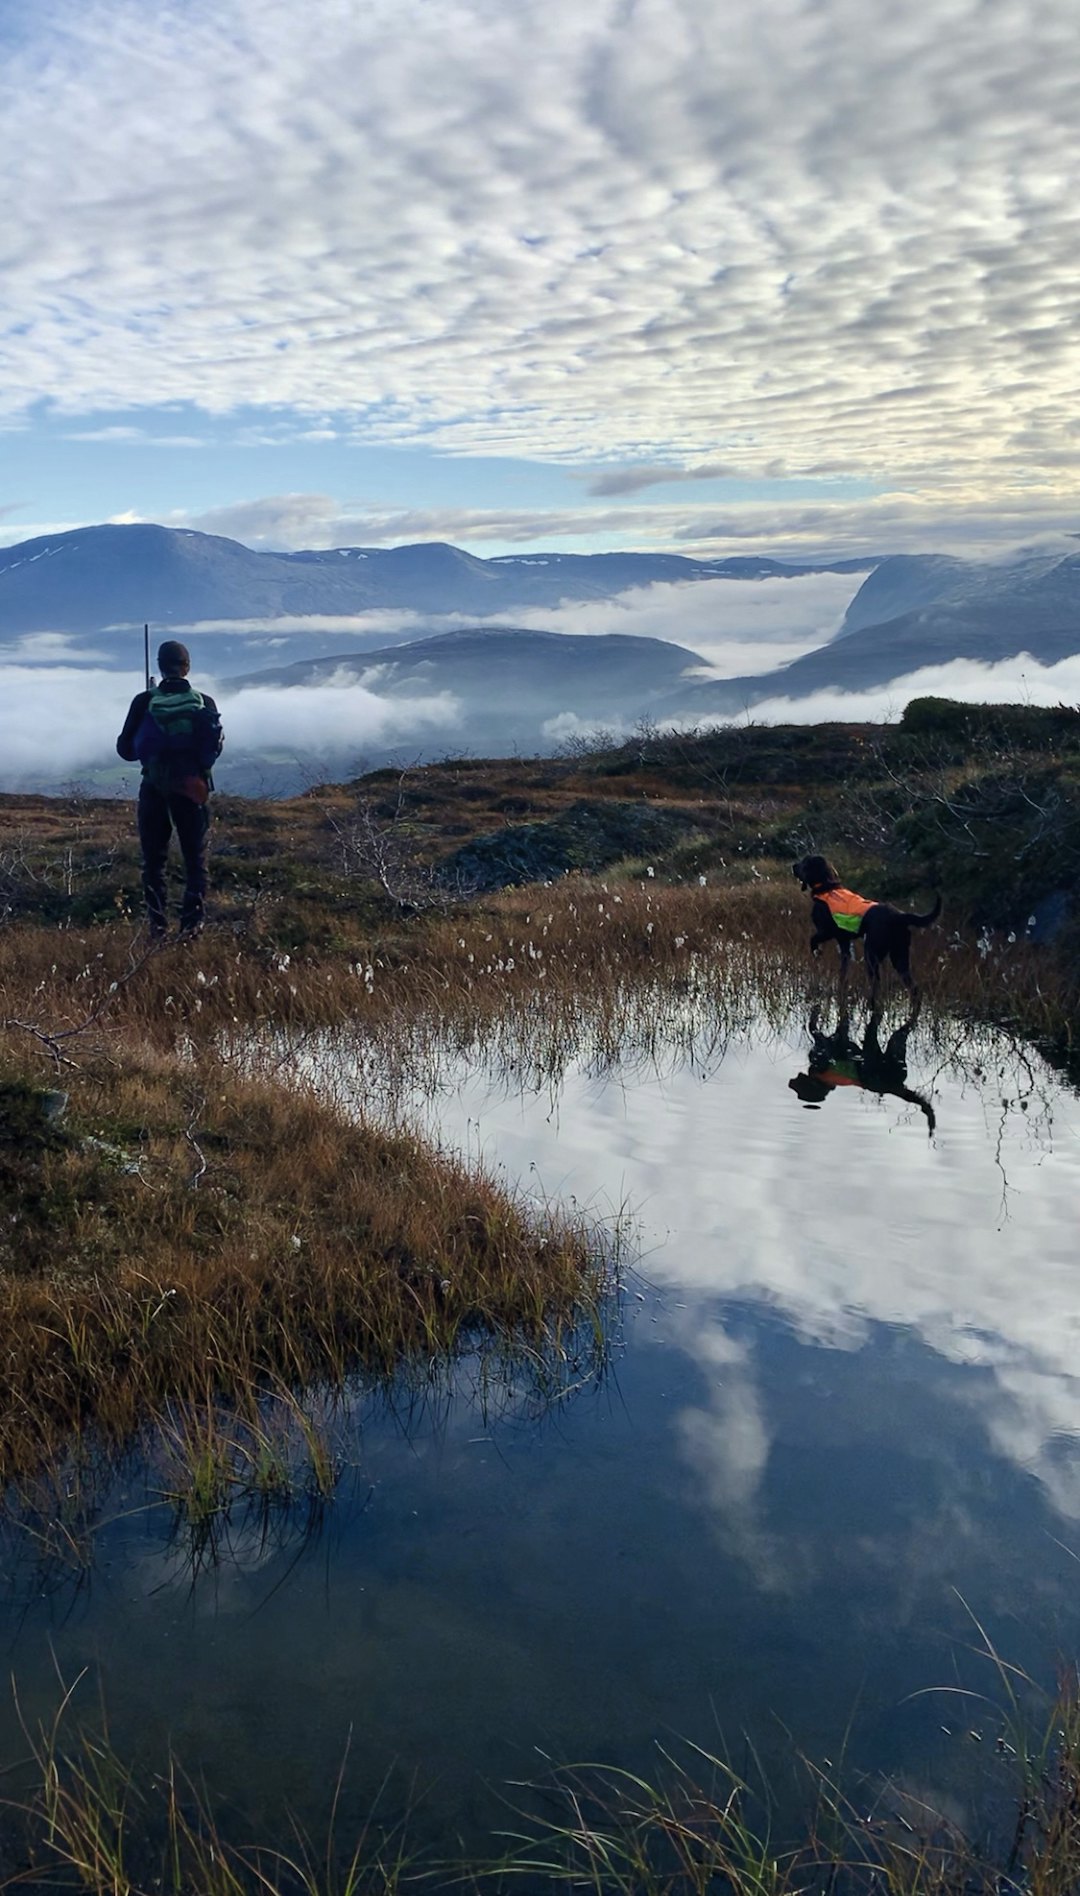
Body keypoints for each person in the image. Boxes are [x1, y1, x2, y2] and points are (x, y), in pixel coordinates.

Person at [116, 641, 223, 939]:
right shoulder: (205, 702)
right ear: (187, 667)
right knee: (196, 862)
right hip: (193, 790)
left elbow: (125, 750)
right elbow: (212, 750)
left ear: (161, 667)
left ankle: (158, 929)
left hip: (154, 788)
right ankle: (191, 930)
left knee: (154, 862)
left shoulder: (143, 701)